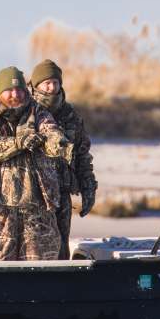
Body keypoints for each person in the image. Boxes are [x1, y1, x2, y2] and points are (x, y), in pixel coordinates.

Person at [0, 66, 71, 260]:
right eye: (9, 90)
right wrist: (18, 143)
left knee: (42, 269)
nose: (15, 94)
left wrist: (55, 142)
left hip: (37, 213)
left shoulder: (40, 114)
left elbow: (52, 133)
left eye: (19, 90)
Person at [29, 59, 98, 257]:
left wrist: (88, 188)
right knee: (36, 248)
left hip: (62, 192)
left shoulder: (70, 115)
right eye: (46, 83)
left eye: (55, 82)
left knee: (61, 247)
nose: (52, 88)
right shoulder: (26, 112)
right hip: (34, 194)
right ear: (36, 85)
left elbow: (82, 154)